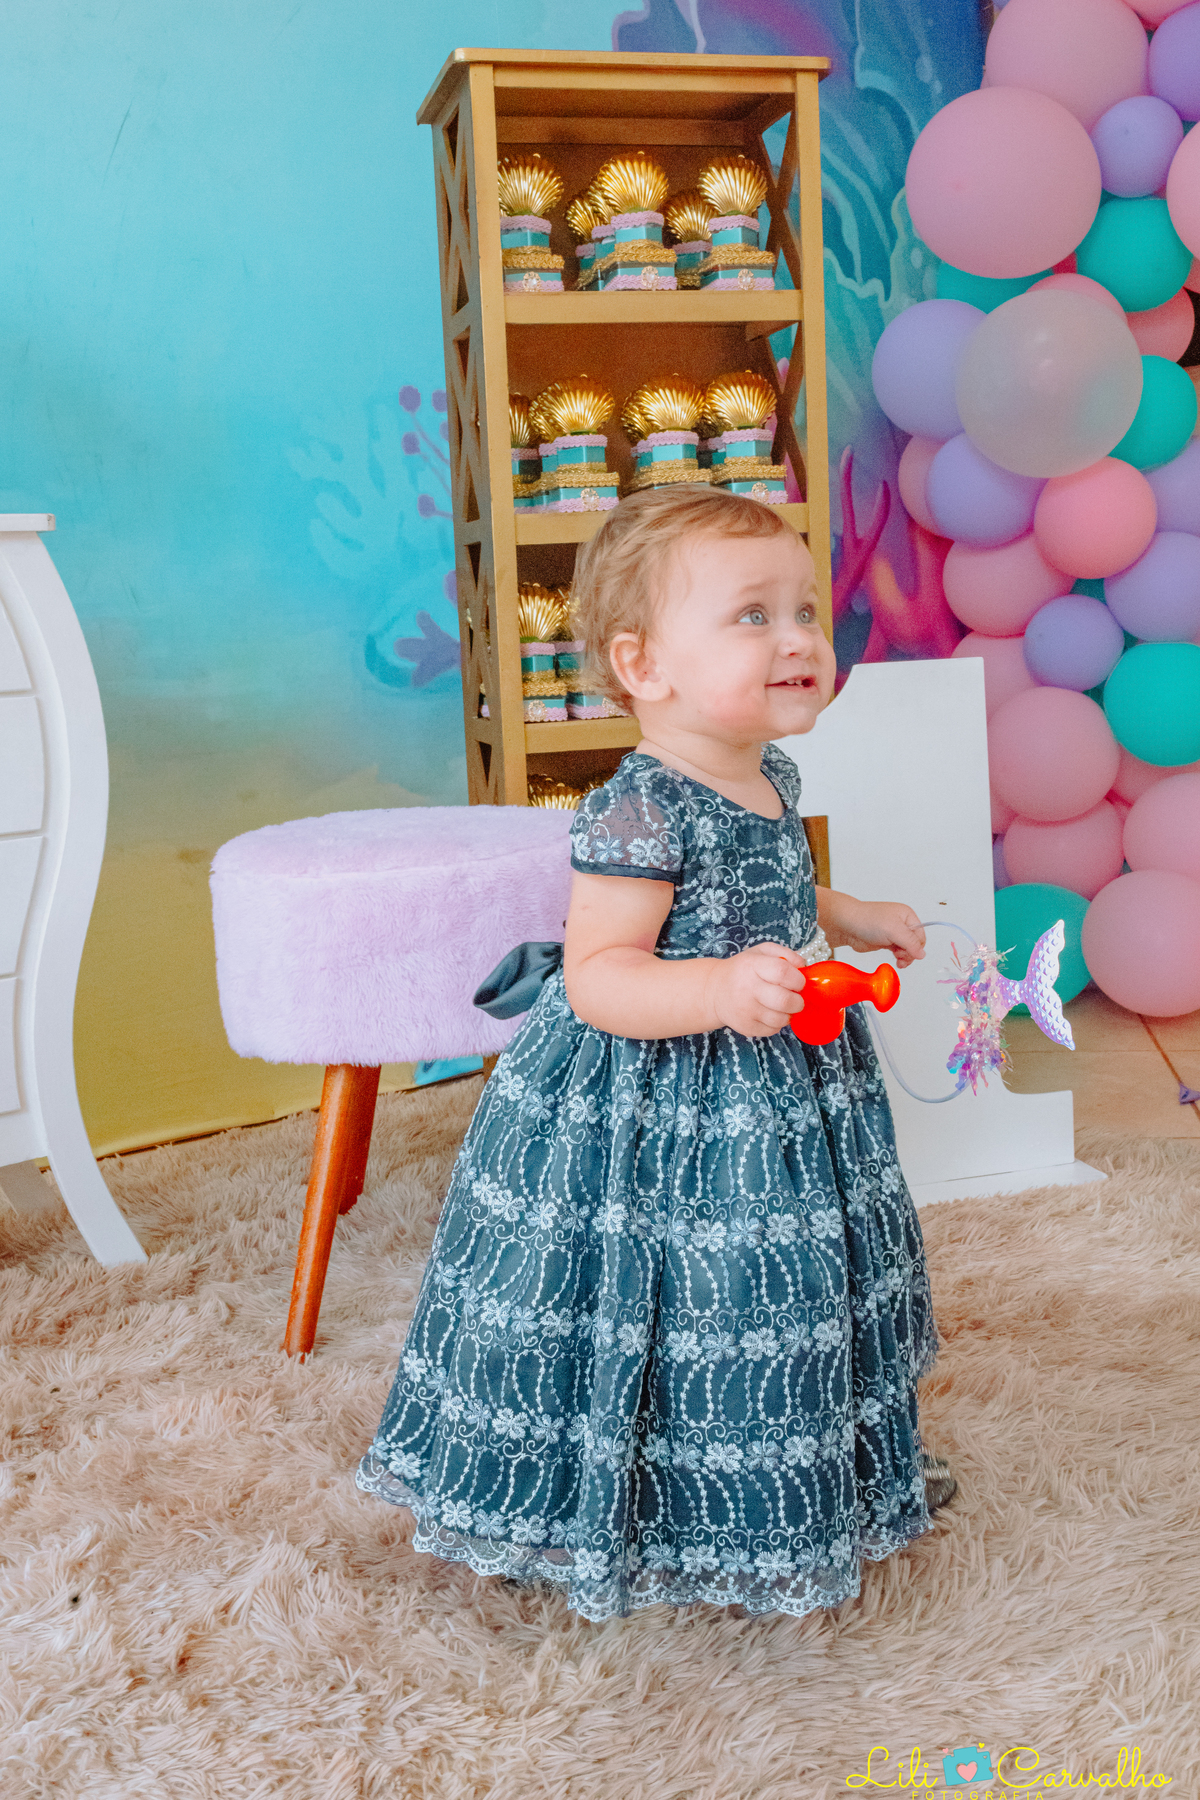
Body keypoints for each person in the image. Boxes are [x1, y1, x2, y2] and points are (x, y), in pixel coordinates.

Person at [356, 484, 954, 1624]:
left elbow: (773, 879)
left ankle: (792, 1477)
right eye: (752, 616)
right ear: (643, 666)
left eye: (805, 611)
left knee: (792, 1289)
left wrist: (850, 913)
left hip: (778, 1076)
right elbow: (599, 976)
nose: (799, 639)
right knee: (693, 1293)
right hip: (663, 1099)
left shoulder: (769, 774)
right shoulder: (636, 814)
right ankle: (659, 1505)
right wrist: (720, 988)